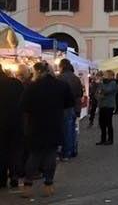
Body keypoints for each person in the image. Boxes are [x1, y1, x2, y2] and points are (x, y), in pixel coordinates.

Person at [20, 62, 72, 198]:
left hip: (35, 125)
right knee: (50, 156)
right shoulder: (61, 86)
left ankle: (27, 185)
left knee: (34, 156)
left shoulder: (32, 87)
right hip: (54, 124)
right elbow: (69, 103)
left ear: (38, 72)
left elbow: (23, 106)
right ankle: (48, 185)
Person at [0, 64, 24, 190]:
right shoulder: (15, 83)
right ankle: (14, 175)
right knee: (15, 150)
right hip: (16, 121)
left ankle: (2, 178)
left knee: (2, 150)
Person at [56, 59, 83, 161]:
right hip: (75, 106)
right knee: (72, 129)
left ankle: (66, 152)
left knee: (65, 130)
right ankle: (73, 150)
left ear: (62, 66)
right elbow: (80, 93)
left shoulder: (60, 78)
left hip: (64, 107)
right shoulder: (76, 78)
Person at [97, 70, 118, 145]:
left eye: (105, 75)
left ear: (111, 76)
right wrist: (99, 93)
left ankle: (110, 139)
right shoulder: (103, 83)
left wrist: (101, 85)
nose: (104, 76)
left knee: (108, 123)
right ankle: (103, 139)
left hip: (109, 105)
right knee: (102, 123)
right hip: (102, 105)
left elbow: (107, 91)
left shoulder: (113, 83)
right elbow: (98, 92)